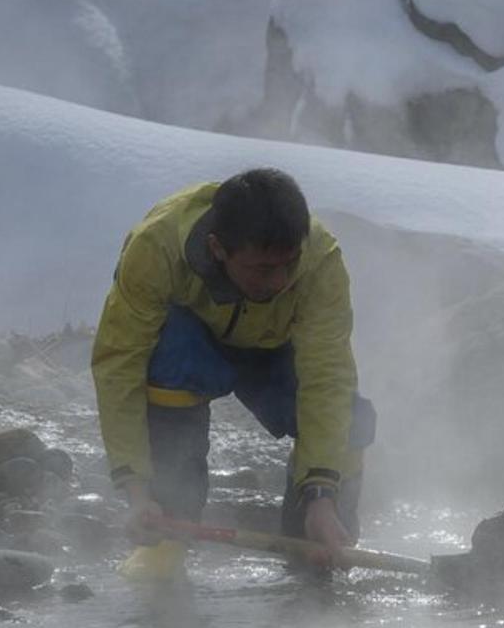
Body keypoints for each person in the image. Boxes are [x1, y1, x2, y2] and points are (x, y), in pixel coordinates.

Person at [91, 168, 374, 579]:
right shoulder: (156, 248)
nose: (278, 281)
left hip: (276, 350)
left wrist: (320, 495)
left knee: (351, 419)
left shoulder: (320, 261)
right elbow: (119, 366)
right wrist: (136, 490)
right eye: (262, 269)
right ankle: (166, 537)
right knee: (169, 357)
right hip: (193, 346)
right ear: (217, 249)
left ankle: (321, 549)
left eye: (288, 265)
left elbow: (326, 378)